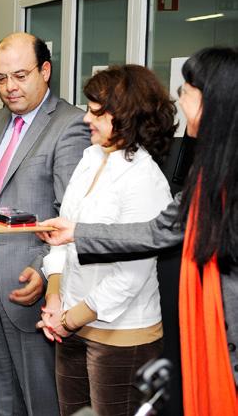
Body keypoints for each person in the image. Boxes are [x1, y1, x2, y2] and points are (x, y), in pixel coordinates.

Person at [38, 47, 238, 415]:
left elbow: (145, 252)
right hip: (206, 333)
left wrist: (77, 237)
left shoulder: (165, 176)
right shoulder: (208, 172)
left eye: (188, 90)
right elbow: (159, 231)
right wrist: (72, 246)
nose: (180, 99)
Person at [37, 65, 176, 416]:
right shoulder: (90, 157)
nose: (87, 120)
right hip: (69, 320)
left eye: (97, 113)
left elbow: (133, 272)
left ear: (127, 117)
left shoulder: (145, 178)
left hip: (120, 336)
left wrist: (70, 319)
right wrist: (54, 296)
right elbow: (64, 236)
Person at [0, 32, 91, 415]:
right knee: (1, 395)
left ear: (46, 70)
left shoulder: (70, 125)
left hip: (32, 281)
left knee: (41, 399)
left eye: (20, 76)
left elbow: (69, 216)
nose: (10, 87)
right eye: (1, 78)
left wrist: (43, 270)